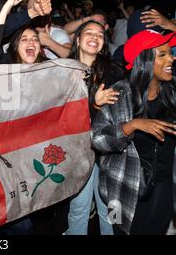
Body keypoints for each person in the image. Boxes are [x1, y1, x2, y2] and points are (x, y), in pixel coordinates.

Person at [92, 29, 176, 235]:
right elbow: (97, 139)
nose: (172, 58)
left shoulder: (172, 92)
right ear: (144, 60)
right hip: (119, 187)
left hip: (163, 183)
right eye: (163, 54)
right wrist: (132, 125)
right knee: (120, 231)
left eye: (170, 52)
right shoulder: (118, 94)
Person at [65, 20, 125, 235]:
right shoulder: (63, 71)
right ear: (78, 39)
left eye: (99, 34)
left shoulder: (115, 72)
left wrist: (100, 107)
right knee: (79, 208)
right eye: (88, 33)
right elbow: (60, 116)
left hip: (109, 153)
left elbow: (120, 115)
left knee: (111, 210)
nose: (94, 37)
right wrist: (94, 104)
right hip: (78, 152)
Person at [0, 0, 51, 64]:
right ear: (15, 47)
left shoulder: (49, 66)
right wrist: (7, 6)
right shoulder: (7, 66)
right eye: (24, 39)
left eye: (36, 39)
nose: (31, 42)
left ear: (39, 48)